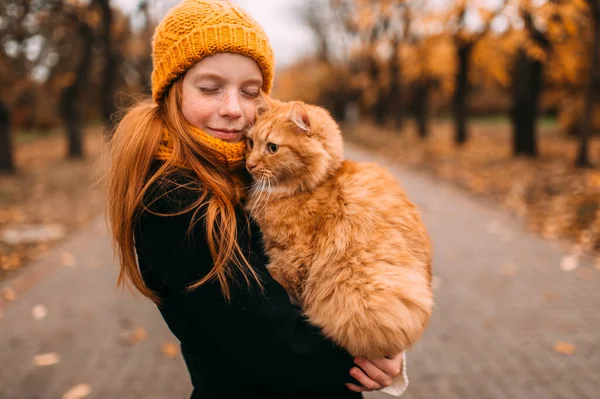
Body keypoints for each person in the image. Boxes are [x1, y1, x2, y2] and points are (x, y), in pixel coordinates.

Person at [105, 0, 407, 398]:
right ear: (172, 91)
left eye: (250, 92)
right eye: (210, 88)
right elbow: (277, 346)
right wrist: (374, 357)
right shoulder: (175, 198)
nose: (233, 109)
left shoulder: (239, 169)